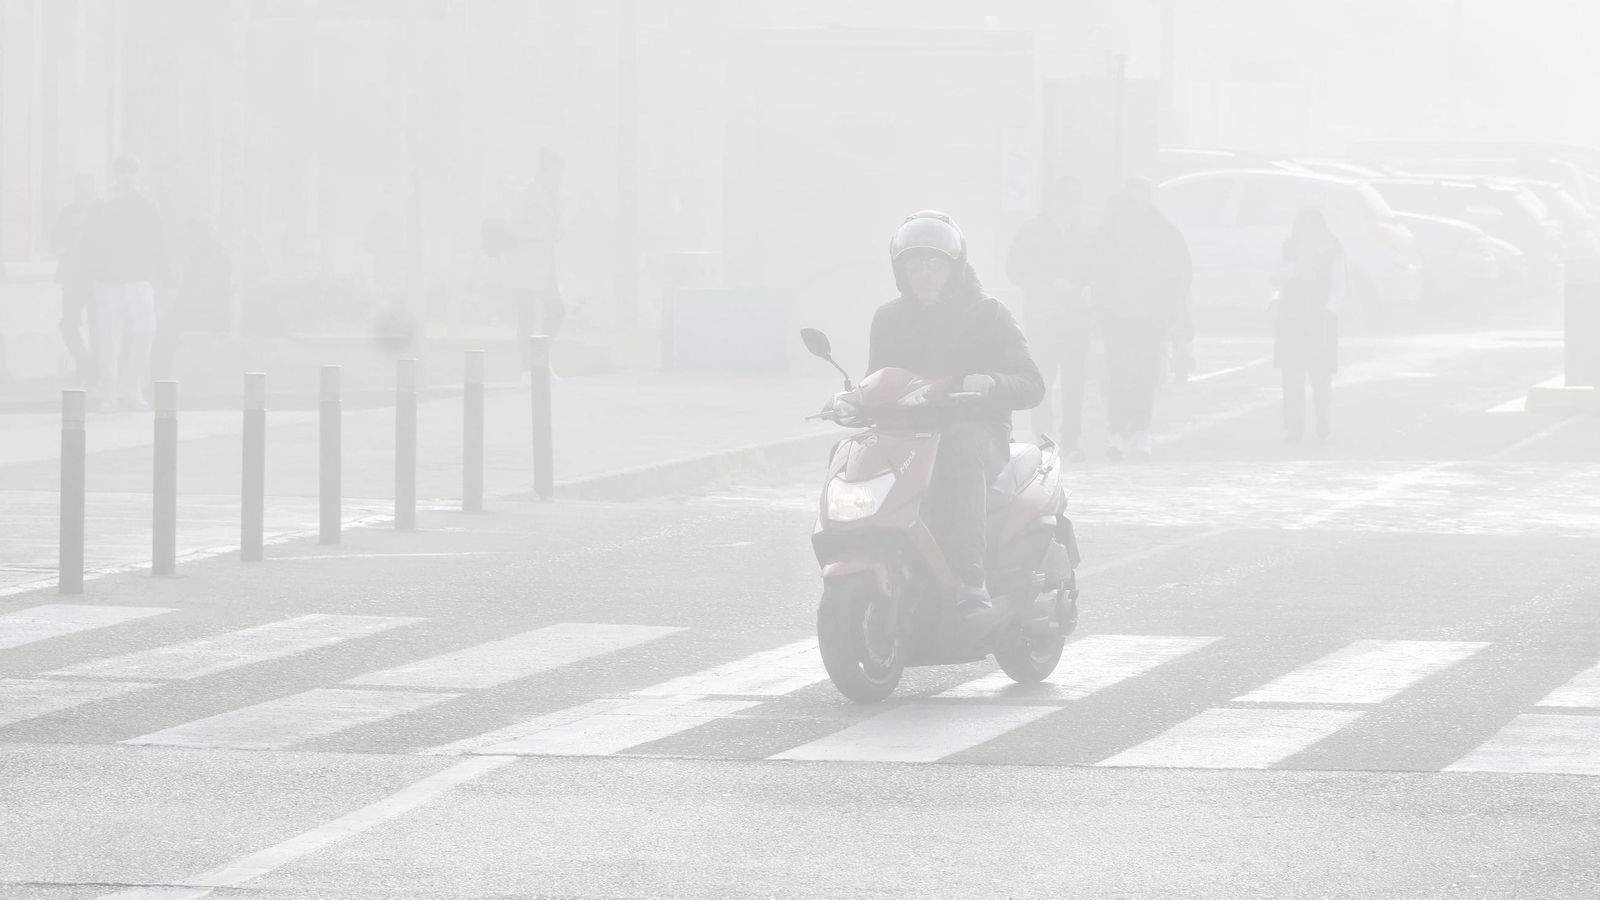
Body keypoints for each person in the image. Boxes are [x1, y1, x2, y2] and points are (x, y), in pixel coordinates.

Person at [866, 211, 1045, 608]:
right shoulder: (888, 319)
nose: (924, 273)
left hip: (977, 430)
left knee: (958, 448)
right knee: (854, 453)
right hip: (909, 433)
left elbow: (1033, 384)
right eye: (915, 263)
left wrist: (993, 383)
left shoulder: (987, 314)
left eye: (934, 263)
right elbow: (876, 381)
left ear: (953, 267)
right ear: (900, 269)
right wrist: (852, 400)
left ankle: (970, 575)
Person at [1091, 178, 1191, 462]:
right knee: (1118, 375)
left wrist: (1172, 312)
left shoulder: (1165, 234)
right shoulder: (1107, 234)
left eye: (1139, 200)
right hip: (1116, 318)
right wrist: (1100, 305)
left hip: (1151, 319)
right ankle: (1116, 431)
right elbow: (1095, 270)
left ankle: (1141, 429)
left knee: (1146, 377)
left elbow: (1181, 274)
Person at [1006, 176, 1093, 462]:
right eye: (1063, 199)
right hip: (1043, 317)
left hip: (1076, 319)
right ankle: (1043, 436)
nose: (1068, 205)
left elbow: (1100, 269)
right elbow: (1015, 269)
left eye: (1073, 199)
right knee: (1042, 377)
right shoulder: (1032, 230)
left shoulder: (1086, 232)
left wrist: (1089, 288)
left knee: (1074, 382)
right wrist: (1047, 284)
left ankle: (1071, 440)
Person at [78, 156, 168, 411]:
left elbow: (159, 242)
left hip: (139, 279)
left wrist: (164, 278)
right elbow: (89, 245)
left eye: (129, 173)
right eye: (120, 172)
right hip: (107, 282)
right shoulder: (102, 207)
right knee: (108, 336)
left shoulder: (147, 206)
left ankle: (132, 387)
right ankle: (109, 391)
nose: (125, 177)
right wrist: (87, 279)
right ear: (113, 176)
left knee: (145, 331)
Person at [1274, 208, 1344, 442]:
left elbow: (1339, 285)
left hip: (1320, 318)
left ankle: (1322, 419)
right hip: (1292, 317)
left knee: (1320, 376)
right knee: (1291, 376)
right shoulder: (1289, 248)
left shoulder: (1333, 249)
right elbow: (1277, 276)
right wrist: (1296, 269)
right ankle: (1293, 427)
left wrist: (1329, 311)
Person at [496, 148, 567, 376]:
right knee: (527, 315)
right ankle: (529, 369)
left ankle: (539, 361)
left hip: (544, 265)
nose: (559, 177)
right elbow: (515, 227)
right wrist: (545, 232)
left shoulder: (554, 195)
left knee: (556, 310)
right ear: (546, 169)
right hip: (524, 265)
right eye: (557, 171)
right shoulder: (527, 194)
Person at [50, 175, 99, 385]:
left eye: (87, 188)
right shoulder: (67, 212)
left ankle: (97, 367)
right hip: (72, 277)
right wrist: (71, 232)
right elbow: (54, 240)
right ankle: (84, 361)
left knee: (99, 324)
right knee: (68, 323)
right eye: (79, 188)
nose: (83, 192)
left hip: (98, 277)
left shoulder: (101, 212)